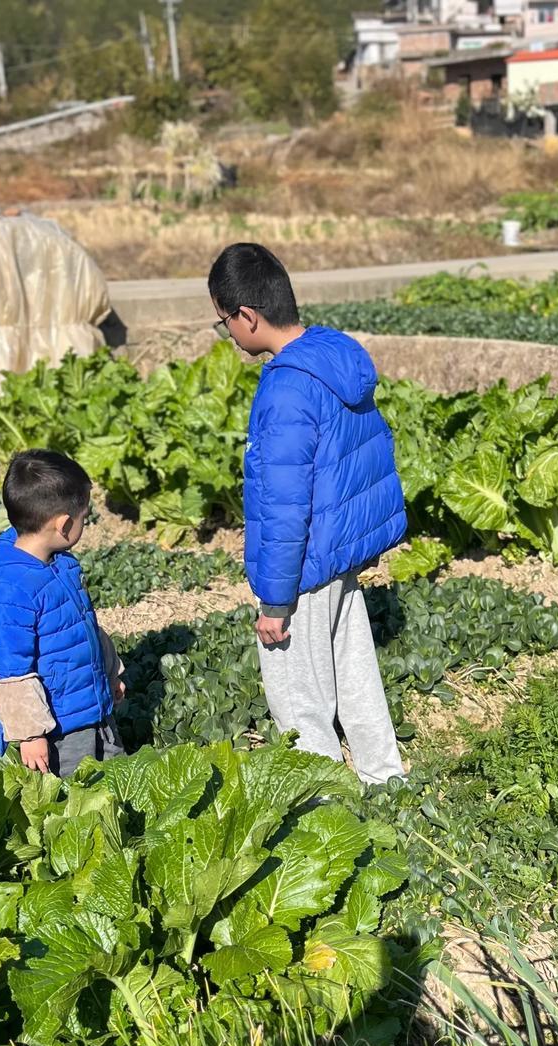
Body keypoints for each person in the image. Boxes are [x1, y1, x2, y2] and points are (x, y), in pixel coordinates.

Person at [209, 241, 407, 786]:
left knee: (299, 704)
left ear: (248, 316)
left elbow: (282, 505)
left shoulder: (285, 389)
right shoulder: (332, 356)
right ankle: (386, 782)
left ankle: (325, 819)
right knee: (354, 671)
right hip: (341, 555)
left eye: (223, 320)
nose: (227, 332)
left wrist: (276, 601)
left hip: (302, 567)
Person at [0, 449, 125, 776]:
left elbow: (86, 631)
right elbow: (11, 672)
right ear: (64, 525)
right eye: (84, 518)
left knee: (117, 784)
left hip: (92, 708)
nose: (84, 524)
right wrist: (30, 733)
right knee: (77, 802)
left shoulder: (59, 565)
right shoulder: (8, 589)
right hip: (59, 730)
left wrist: (111, 675)